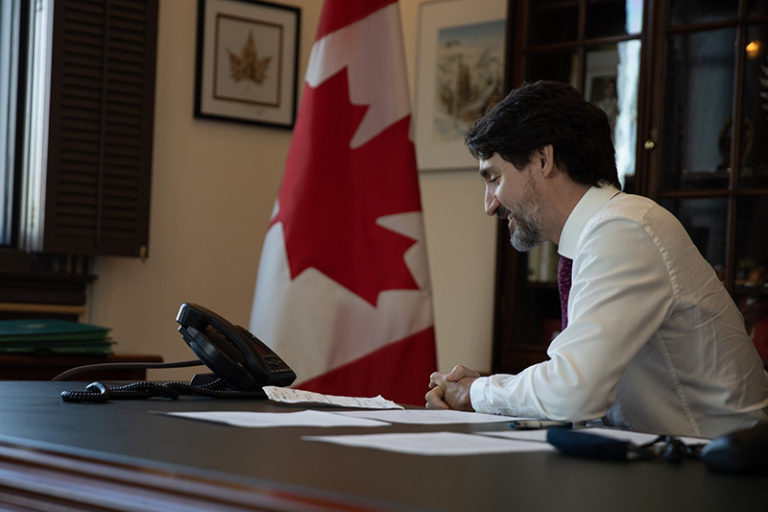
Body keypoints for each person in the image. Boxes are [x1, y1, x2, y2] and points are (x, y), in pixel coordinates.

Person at [425, 80, 768, 438]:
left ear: (544, 159)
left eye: (494, 178)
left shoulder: (624, 230)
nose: (489, 204)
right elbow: (575, 381)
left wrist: (476, 392)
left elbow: (572, 393)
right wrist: (488, 389)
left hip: (720, 474)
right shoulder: (606, 231)